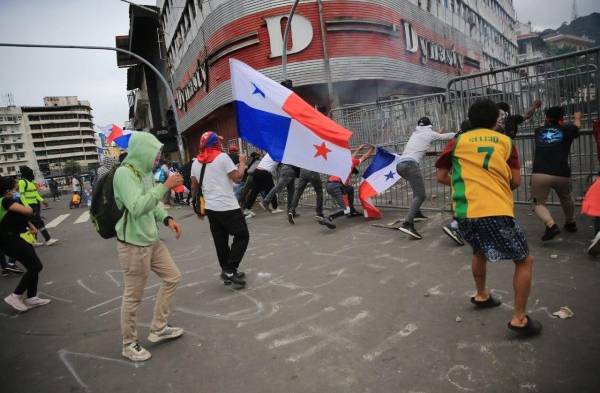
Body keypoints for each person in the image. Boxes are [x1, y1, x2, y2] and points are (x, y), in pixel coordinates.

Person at [435, 98, 541, 337]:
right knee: (524, 260)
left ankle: (481, 294)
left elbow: (441, 177)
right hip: (495, 210)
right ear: (496, 120)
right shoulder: (506, 142)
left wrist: (466, 182)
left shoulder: (458, 141)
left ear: (470, 120)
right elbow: (515, 181)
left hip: (464, 213)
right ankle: (519, 319)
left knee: (478, 251)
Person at [113, 131, 185, 362]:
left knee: (173, 277)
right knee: (133, 296)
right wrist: (164, 186)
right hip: (133, 245)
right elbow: (136, 206)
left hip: (151, 240)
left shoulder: (144, 173)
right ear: (142, 151)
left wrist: (167, 219)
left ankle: (159, 327)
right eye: (155, 153)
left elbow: (152, 205)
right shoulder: (124, 174)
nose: (157, 157)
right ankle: (128, 343)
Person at [191, 131, 249, 289]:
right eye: (219, 141)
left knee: (221, 240)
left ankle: (228, 271)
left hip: (210, 208)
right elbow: (237, 177)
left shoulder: (196, 162)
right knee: (242, 235)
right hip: (228, 206)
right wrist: (242, 163)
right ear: (215, 143)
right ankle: (230, 269)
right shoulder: (222, 158)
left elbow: (194, 186)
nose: (221, 144)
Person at [396, 118, 456, 239]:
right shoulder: (430, 134)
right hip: (410, 165)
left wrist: (436, 133)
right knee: (421, 195)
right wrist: (459, 133)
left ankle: (416, 212)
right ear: (430, 126)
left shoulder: (416, 133)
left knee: (416, 190)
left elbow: (431, 136)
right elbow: (446, 136)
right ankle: (408, 224)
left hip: (400, 165)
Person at [0, 176, 51, 311]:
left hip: (15, 237)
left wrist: (30, 225)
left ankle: (32, 297)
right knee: (35, 266)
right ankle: (15, 295)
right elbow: (26, 210)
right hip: (9, 240)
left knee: (32, 266)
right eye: (14, 188)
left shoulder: (7, 202)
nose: (15, 190)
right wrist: (25, 203)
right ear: (7, 190)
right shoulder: (5, 201)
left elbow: (16, 215)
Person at [531, 107, 581, 241]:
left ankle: (551, 225)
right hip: (562, 172)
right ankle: (571, 223)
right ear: (562, 118)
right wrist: (577, 117)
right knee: (566, 198)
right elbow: (577, 127)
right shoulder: (569, 129)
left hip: (540, 172)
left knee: (537, 203)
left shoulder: (538, 131)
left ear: (546, 118)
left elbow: (545, 126)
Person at [317, 144, 374, 229]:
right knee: (344, 209)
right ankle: (328, 218)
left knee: (350, 189)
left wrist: (358, 149)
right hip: (336, 186)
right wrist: (372, 148)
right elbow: (365, 157)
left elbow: (353, 156)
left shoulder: (342, 161)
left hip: (332, 185)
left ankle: (351, 210)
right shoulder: (351, 162)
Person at [18, 166, 58, 246]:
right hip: (29, 205)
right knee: (39, 222)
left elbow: (35, 193)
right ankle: (48, 239)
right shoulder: (22, 182)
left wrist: (43, 201)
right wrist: (27, 206)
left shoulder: (31, 182)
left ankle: (33, 241)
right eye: (30, 172)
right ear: (25, 173)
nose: (32, 174)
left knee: (35, 223)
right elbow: (21, 196)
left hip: (36, 204)